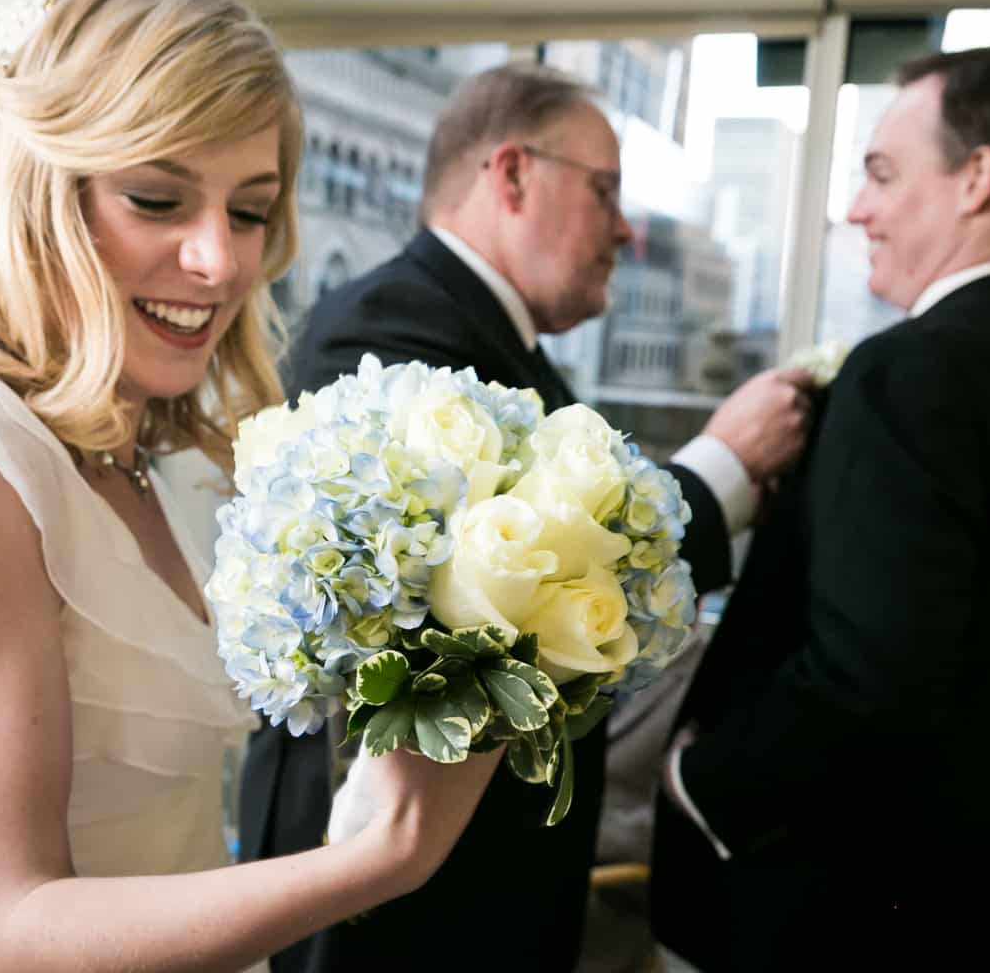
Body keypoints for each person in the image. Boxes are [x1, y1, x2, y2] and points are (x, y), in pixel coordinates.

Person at [0, 0, 499, 973]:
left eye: (250, 209)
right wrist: (382, 853)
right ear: (35, 197)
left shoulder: (142, 456)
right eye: (160, 200)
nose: (221, 262)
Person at [242, 63, 813, 973]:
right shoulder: (390, 328)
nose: (624, 229)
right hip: (388, 897)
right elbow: (515, 583)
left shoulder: (498, 343)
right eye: (605, 191)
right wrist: (725, 466)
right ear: (511, 175)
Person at [650, 47, 990, 972]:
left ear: (977, 178)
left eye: (881, 174)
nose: (857, 208)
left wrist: (697, 778)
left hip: (857, 918)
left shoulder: (907, 373)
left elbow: (868, 680)